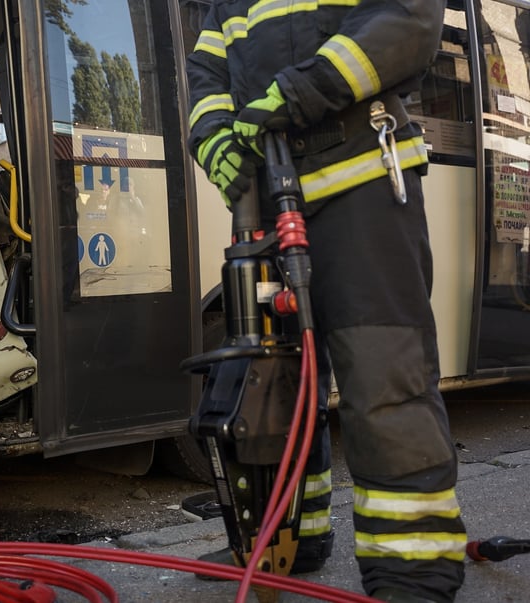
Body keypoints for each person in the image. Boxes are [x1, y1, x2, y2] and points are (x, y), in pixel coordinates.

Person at [185, 3, 464, 603]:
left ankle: (412, 575)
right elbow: (206, 70)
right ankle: (294, 538)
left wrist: (298, 91)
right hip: (265, 207)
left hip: (362, 185)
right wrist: (211, 138)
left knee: (384, 377)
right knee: (277, 384)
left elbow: (408, 25)